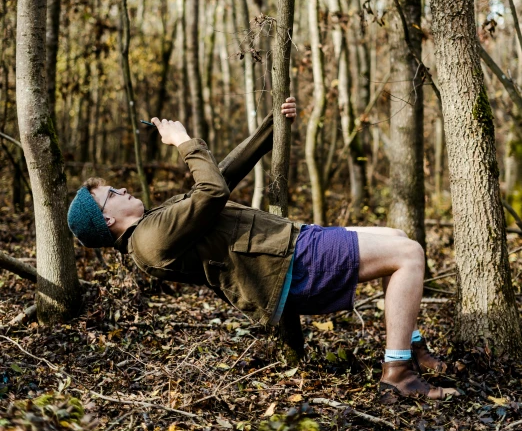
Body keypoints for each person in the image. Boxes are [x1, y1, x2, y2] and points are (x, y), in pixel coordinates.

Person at [68, 98, 457, 400]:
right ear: (106, 220)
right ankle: (399, 373)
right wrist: (183, 142)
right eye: (112, 195)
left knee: (397, 238)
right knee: (409, 255)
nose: (123, 190)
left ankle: (409, 344)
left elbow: (219, 179)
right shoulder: (150, 240)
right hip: (291, 263)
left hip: (292, 245)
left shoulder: (153, 223)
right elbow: (212, 190)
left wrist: (272, 127)